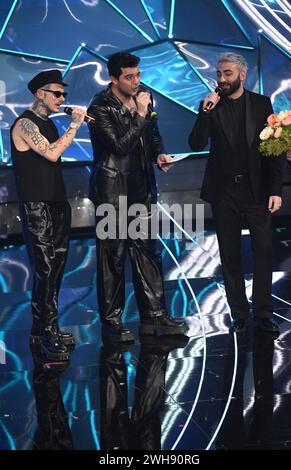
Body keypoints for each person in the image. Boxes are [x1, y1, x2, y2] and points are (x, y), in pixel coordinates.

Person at [87, 52, 187, 342]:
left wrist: (158, 154)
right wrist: (140, 115)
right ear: (113, 78)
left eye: (138, 75)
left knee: (147, 251)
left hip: (141, 186)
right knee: (113, 256)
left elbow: (152, 134)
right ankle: (112, 321)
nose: (136, 81)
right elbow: (120, 146)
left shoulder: (144, 97)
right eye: (129, 77)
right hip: (112, 190)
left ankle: (155, 316)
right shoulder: (99, 107)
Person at [189, 53, 282, 334]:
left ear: (241, 75)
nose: (221, 80)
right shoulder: (210, 106)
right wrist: (205, 111)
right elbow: (195, 144)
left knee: (264, 250)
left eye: (227, 74)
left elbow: (272, 152)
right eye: (219, 74)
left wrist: (275, 190)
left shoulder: (261, 104)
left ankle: (263, 311)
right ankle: (239, 313)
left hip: (256, 190)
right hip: (224, 191)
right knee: (229, 254)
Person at [10, 69, 86, 360]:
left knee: (56, 269)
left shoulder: (49, 124)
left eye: (63, 93)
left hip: (56, 203)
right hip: (36, 206)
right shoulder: (24, 125)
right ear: (40, 94)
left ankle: (41, 328)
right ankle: (48, 331)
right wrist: (74, 126)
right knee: (45, 268)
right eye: (57, 93)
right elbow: (51, 154)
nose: (62, 98)